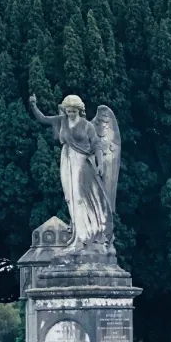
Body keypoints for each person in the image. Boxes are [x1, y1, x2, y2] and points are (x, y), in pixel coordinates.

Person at [28, 94, 114, 256]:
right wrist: (33, 105)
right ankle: (76, 236)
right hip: (67, 159)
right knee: (69, 197)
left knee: (79, 197)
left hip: (82, 162)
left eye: (73, 111)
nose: (70, 114)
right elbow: (43, 118)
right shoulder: (62, 120)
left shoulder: (87, 125)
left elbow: (96, 145)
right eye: (68, 111)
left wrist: (100, 164)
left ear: (79, 110)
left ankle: (84, 237)